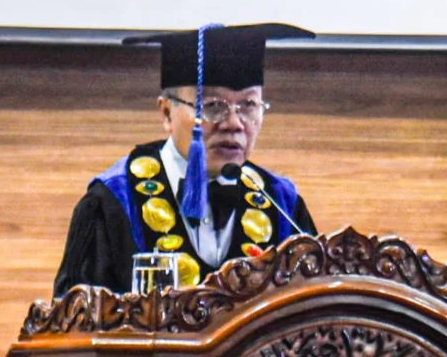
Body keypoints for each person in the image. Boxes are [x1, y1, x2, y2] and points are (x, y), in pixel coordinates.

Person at [53, 23, 318, 295]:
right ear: (167, 113)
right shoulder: (113, 201)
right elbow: (73, 325)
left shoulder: (282, 203)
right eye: (214, 107)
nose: (234, 123)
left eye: (249, 106)